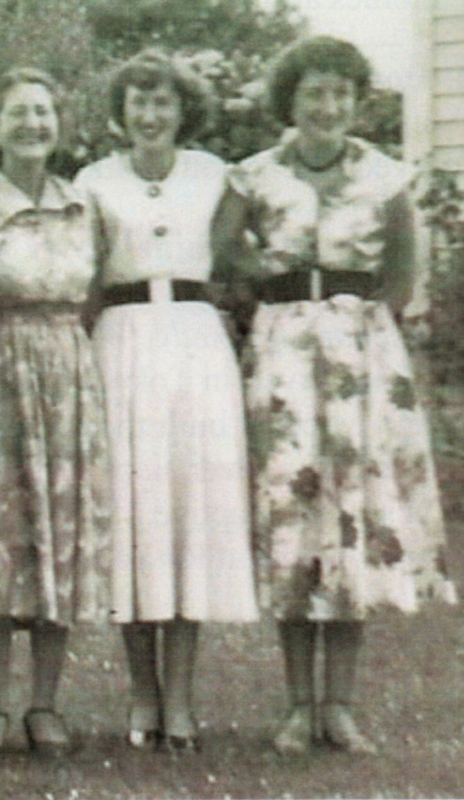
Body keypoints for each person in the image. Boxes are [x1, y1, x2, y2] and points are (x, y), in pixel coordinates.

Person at [214, 35, 455, 756]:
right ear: (290, 99)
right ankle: (295, 706)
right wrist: (274, 286)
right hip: (285, 355)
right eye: (314, 93)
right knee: (294, 517)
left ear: (355, 102)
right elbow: (223, 258)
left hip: (361, 361)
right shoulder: (251, 176)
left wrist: (357, 330)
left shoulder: (386, 177)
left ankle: (340, 706)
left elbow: (404, 277)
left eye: (340, 95)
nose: (327, 107)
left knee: (350, 516)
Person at [75, 50, 258, 753]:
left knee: (185, 516)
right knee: (133, 512)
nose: (150, 116)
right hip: (120, 345)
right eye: (138, 104)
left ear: (184, 111)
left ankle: (180, 699)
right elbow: (87, 279)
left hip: (193, 345)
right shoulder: (93, 182)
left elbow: (235, 262)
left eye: (163, 104)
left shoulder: (218, 176)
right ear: (121, 115)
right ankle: (141, 693)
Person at [0, 67, 110, 759]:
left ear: (59, 124)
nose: (32, 125)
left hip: (68, 377)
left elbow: (94, 294)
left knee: (60, 538)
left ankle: (45, 705)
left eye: (43, 113)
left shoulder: (84, 204)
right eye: (17, 113)